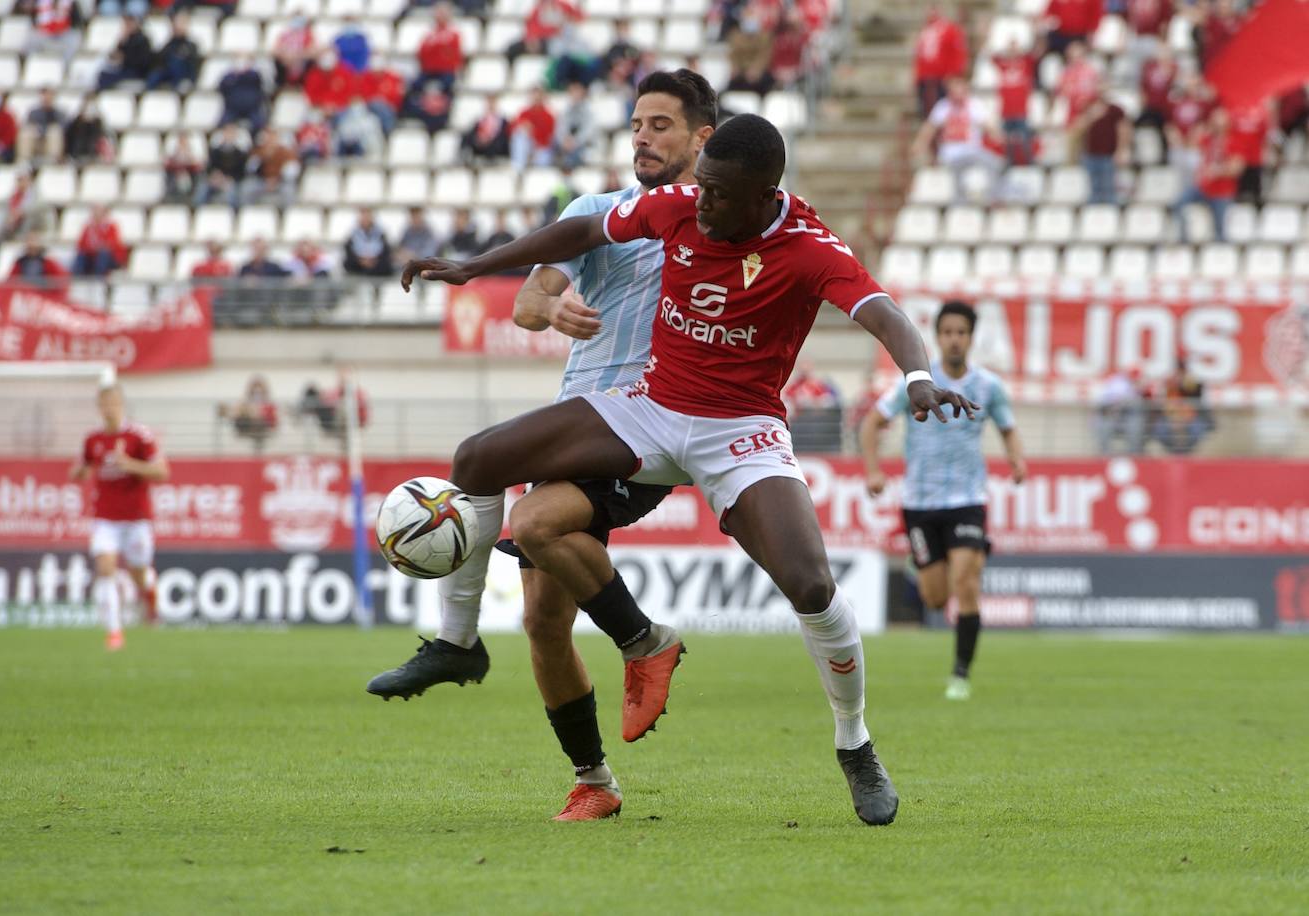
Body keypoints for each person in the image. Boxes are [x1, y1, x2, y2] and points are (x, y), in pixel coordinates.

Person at [386, 112, 979, 827]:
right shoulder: (679, 208)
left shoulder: (809, 246)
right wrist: (478, 267)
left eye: (720, 195)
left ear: (764, 196)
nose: (701, 203)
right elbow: (580, 233)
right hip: (652, 408)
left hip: (741, 432)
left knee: (812, 584)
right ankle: (458, 643)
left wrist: (917, 375)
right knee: (478, 457)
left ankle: (854, 744)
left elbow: (882, 311)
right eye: (701, 189)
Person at [368, 70, 712, 821]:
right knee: (543, 623)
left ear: (699, 138)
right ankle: (594, 780)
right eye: (636, 125)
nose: (643, 138)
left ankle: (629, 641)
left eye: (660, 125)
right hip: (573, 424)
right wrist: (552, 308)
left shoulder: (708, 226)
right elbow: (526, 301)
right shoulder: (597, 215)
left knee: (525, 514)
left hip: (642, 429)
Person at [859, 301, 1025, 702]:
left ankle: (960, 674)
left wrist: (1017, 461)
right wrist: (873, 470)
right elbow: (871, 423)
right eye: (947, 332)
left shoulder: (989, 387)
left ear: (971, 337)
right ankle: (922, 571)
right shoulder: (914, 384)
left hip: (968, 499)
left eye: (961, 332)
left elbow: (1007, 428)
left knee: (967, 580)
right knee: (936, 598)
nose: (954, 339)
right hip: (920, 502)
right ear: (938, 336)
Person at [69, 383, 169, 651]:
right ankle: (114, 632)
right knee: (105, 569)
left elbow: (162, 472)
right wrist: (78, 472)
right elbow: (82, 467)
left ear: (121, 405)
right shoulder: (93, 440)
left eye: (113, 403)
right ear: (99, 408)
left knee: (138, 572)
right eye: (104, 404)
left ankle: (148, 594)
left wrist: (130, 465)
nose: (109, 409)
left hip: (136, 519)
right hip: (105, 518)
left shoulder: (140, 436)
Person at [911, 77, 1004, 203]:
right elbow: (930, 127)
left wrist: (996, 135)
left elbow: (987, 125)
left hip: (972, 151)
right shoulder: (943, 106)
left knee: (995, 164)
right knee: (958, 173)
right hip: (952, 153)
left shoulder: (973, 105)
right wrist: (920, 144)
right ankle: (960, 203)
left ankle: (993, 197)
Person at [1173, 107, 1242, 243]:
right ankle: (1184, 238)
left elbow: (1236, 168)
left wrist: (1216, 171)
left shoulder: (1235, 142)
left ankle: (1220, 255)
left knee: (1220, 230)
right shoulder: (1208, 139)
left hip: (1222, 191)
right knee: (1178, 203)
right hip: (1204, 187)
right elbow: (1192, 145)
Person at [1078, 88, 1132, 204]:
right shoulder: (1089, 107)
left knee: (1109, 190)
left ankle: (1111, 216)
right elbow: (1078, 128)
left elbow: (1123, 130)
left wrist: (1120, 151)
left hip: (1108, 155)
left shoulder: (1115, 110)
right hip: (1091, 155)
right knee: (1094, 190)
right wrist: (1091, 116)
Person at [913, 4, 967, 118]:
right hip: (926, 78)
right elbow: (920, 56)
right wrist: (917, 76)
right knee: (927, 112)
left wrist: (953, 74)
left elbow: (958, 53)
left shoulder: (949, 29)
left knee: (942, 111)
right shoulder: (925, 30)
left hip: (942, 78)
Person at [993, 39, 1037, 166]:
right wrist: (1006, 50)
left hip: (1021, 110)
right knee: (1007, 140)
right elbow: (993, 56)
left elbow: (1033, 54)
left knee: (1024, 138)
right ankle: (1009, 162)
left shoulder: (1025, 63)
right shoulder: (1003, 65)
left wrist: (1018, 50)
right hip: (1006, 110)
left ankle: (1029, 162)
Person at [218, 374, 279, 449]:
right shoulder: (245, 401)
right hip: (246, 422)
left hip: (262, 422)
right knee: (241, 407)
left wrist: (256, 410)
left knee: (248, 409)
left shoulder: (269, 403)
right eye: (255, 386)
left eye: (259, 386)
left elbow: (272, 417)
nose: (257, 389)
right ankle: (230, 412)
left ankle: (231, 412)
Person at [97, 16, 156, 90]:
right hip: (126, 69)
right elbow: (117, 54)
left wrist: (124, 58)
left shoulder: (142, 40)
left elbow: (143, 60)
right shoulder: (127, 39)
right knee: (103, 73)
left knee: (106, 77)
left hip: (137, 71)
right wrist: (121, 42)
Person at [415, 3, 464, 93]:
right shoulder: (429, 31)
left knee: (446, 86)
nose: (440, 15)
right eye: (438, 12)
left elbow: (453, 54)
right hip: (428, 69)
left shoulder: (453, 32)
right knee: (415, 86)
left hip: (446, 70)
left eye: (443, 13)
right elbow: (422, 51)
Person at [147, 13, 201, 91]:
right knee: (155, 75)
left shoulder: (191, 45)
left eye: (181, 24)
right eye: (176, 24)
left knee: (177, 62)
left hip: (183, 75)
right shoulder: (170, 43)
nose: (178, 27)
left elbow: (193, 66)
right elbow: (161, 58)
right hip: (167, 73)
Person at [73, 205, 128, 276]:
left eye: (99, 212)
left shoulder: (111, 227)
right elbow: (81, 244)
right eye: (95, 212)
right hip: (92, 256)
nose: (96, 215)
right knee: (81, 255)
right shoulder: (88, 227)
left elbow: (112, 245)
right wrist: (94, 248)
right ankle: (77, 277)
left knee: (103, 254)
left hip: (109, 258)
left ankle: (98, 278)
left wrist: (97, 247)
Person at [511, 87, 556, 169]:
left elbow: (548, 139)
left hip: (541, 150)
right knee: (520, 134)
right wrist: (524, 127)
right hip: (527, 148)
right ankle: (518, 169)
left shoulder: (549, 116)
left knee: (543, 159)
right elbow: (512, 130)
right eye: (534, 96)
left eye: (539, 97)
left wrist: (533, 132)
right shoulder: (523, 113)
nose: (536, 99)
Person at [18, 87, 67, 164]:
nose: (47, 98)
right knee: (26, 132)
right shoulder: (34, 112)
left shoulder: (59, 114)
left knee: (54, 131)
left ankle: (53, 160)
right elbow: (30, 124)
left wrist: (45, 130)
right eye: (45, 95)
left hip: (51, 144)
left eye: (49, 95)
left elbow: (64, 129)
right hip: (36, 142)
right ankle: (24, 161)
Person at [344, 207, 395, 276]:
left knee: (386, 264)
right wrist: (361, 261)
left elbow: (385, 250)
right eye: (363, 217)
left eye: (367, 216)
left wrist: (374, 260)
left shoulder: (380, 233)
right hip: (359, 264)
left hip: (376, 264)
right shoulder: (354, 234)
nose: (365, 219)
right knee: (348, 263)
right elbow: (349, 250)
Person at [553, 81, 593, 169]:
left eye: (577, 92)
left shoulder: (589, 111)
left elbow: (589, 131)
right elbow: (560, 129)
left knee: (577, 155)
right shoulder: (564, 110)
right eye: (573, 92)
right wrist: (564, 141)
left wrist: (576, 142)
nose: (575, 95)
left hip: (582, 145)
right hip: (566, 145)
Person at [460, 94, 510, 162]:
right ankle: (464, 156)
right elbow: (475, 133)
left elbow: (503, 135)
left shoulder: (502, 120)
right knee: (466, 136)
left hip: (495, 146)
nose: (490, 106)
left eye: (492, 103)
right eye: (489, 103)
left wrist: (488, 139)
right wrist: (479, 139)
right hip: (481, 144)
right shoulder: (481, 120)